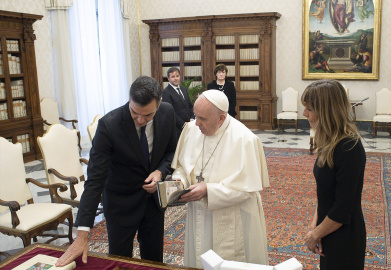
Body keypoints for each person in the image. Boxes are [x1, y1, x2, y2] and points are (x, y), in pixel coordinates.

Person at [56, 76, 177, 266]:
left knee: (154, 262)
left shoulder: (167, 112)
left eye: (148, 115)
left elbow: (171, 151)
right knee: (119, 262)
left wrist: (160, 172)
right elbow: (95, 180)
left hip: (153, 204)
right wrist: (81, 235)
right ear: (129, 100)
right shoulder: (109, 126)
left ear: (159, 104)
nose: (140, 120)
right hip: (121, 205)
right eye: (135, 112)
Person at [171, 90, 269, 268]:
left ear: (221, 118)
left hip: (231, 218)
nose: (197, 123)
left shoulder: (245, 139)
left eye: (203, 119)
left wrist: (208, 190)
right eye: (196, 116)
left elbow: (247, 191)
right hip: (199, 213)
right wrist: (180, 183)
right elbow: (182, 167)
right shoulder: (192, 129)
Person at [302, 80, 366, 269]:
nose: (304, 113)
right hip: (328, 229)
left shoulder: (348, 147)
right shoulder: (329, 141)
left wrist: (314, 236)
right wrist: (317, 226)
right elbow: (325, 192)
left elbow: (342, 209)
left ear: (326, 111)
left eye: (309, 108)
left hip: (344, 236)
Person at [162, 67, 195, 137]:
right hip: (177, 129)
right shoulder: (166, 92)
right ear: (168, 78)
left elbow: (190, 106)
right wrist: (183, 124)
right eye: (173, 76)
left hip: (190, 126)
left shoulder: (184, 89)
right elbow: (170, 112)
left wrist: (192, 119)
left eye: (177, 76)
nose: (176, 78)